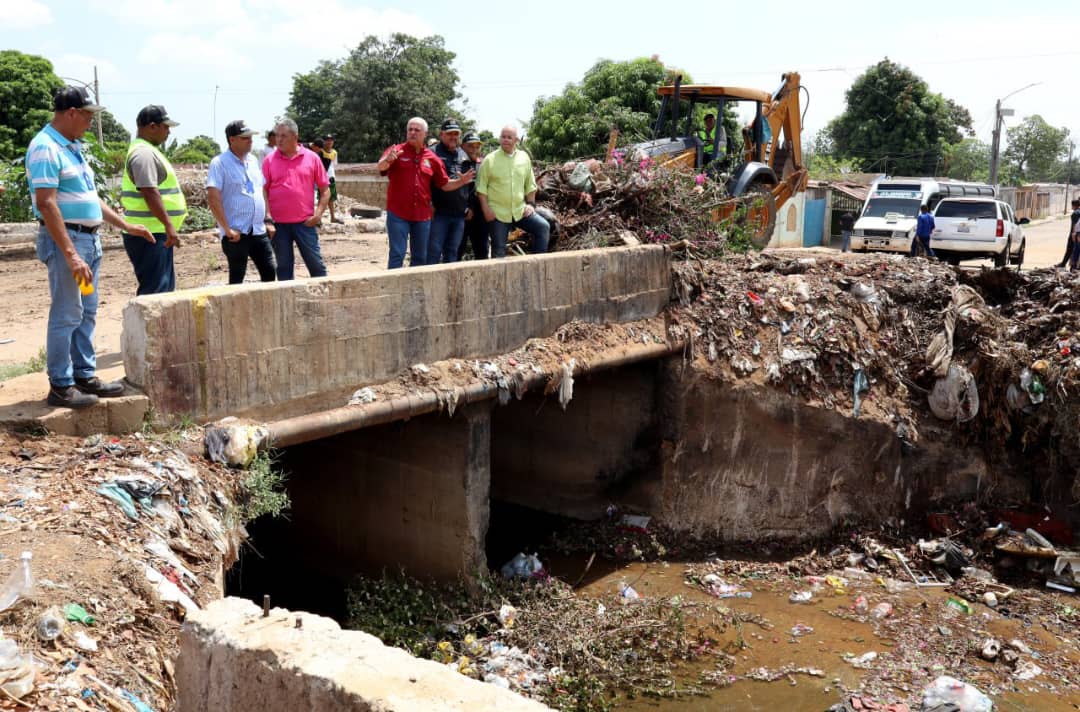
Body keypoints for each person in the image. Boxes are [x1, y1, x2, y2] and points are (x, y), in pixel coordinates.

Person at [26, 85, 154, 408]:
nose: (88, 122)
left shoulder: (72, 147)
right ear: (71, 113)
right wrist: (70, 254)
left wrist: (124, 224)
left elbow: (90, 198)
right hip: (69, 242)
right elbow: (47, 203)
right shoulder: (45, 147)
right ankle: (61, 385)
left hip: (88, 242)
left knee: (86, 311)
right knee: (67, 312)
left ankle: (83, 375)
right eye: (86, 116)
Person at [376, 117, 475, 269]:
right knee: (397, 254)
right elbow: (380, 167)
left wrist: (461, 182)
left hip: (422, 217)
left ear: (425, 134)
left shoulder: (433, 159)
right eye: (410, 129)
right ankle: (395, 291)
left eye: (417, 130)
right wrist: (388, 161)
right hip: (398, 214)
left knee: (420, 258)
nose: (413, 133)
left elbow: (444, 184)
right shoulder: (396, 151)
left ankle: (416, 291)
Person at [121, 105, 188, 295]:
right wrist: (168, 225)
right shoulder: (143, 154)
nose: (168, 132)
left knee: (163, 290)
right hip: (150, 233)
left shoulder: (147, 151)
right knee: (155, 292)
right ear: (152, 126)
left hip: (154, 232)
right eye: (165, 127)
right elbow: (149, 191)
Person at [206, 120, 276, 285]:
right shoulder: (219, 163)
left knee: (270, 272)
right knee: (237, 279)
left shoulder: (252, 161)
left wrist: (267, 218)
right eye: (245, 137)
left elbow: (261, 190)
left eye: (250, 137)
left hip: (258, 230)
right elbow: (213, 197)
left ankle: (263, 310)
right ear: (232, 139)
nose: (250, 141)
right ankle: (234, 311)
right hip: (236, 233)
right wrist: (227, 228)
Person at [262, 119, 330, 280]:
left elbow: (325, 190)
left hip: (305, 223)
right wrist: (268, 217)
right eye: (277, 135)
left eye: (284, 136)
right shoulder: (269, 160)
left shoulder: (312, 158)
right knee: (284, 269)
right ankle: (288, 304)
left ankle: (324, 302)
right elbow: (263, 190)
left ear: (295, 137)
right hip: (279, 226)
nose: (279, 139)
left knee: (316, 266)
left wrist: (318, 215)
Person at [476, 125, 548, 258]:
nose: (506, 140)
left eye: (509, 137)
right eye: (503, 137)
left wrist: (531, 205)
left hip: (519, 211)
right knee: (498, 251)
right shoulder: (489, 160)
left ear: (516, 140)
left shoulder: (524, 158)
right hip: (498, 214)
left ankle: (537, 265)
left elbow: (530, 185)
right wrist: (486, 210)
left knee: (543, 227)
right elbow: (481, 188)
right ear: (499, 139)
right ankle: (498, 278)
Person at [428, 119, 471, 264]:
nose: (453, 137)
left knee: (452, 253)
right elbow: (424, 182)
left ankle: (448, 287)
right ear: (441, 134)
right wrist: (429, 203)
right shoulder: (432, 153)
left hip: (458, 215)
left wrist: (468, 207)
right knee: (433, 252)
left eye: (456, 134)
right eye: (449, 133)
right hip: (439, 214)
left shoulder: (463, 155)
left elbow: (469, 184)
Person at [459, 132, 488, 260]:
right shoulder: (458, 164)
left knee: (482, 252)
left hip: (480, 216)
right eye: (471, 146)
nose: (474, 149)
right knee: (456, 252)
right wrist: (465, 208)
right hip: (461, 215)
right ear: (463, 146)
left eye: (477, 146)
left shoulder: (483, 164)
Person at [323, 134, 343, 224]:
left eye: (331, 140)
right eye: (327, 140)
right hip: (321, 178)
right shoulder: (321, 152)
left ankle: (332, 217)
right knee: (321, 198)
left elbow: (334, 165)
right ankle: (318, 218)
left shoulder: (334, 152)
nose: (329, 142)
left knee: (331, 198)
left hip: (331, 177)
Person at [1058, 198, 1080, 268]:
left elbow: (1075, 225)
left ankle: (1067, 264)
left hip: (1075, 234)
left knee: (1071, 250)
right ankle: (1070, 264)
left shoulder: (1075, 213)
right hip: (1077, 234)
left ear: (1073, 205)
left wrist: (1073, 234)